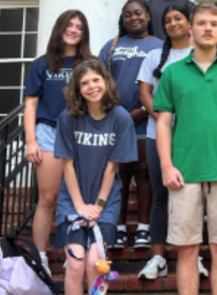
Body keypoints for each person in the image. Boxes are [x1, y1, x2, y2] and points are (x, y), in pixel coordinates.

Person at [154, 3, 217, 295]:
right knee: (186, 249)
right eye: (201, 23)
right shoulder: (172, 72)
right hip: (184, 170)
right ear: (190, 29)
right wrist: (166, 165)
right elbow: (162, 123)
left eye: (214, 23)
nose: (208, 28)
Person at [136, 5, 209, 280]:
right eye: (167, 20)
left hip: (194, 139)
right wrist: (163, 118)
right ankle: (158, 257)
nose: (173, 23)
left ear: (189, 22)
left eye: (178, 18)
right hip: (158, 135)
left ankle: (194, 257)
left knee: (195, 198)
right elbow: (145, 93)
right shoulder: (154, 56)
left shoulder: (201, 54)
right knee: (160, 196)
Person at [54, 58, 138, 295]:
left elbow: (112, 168)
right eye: (85, 83)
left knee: (95, 264)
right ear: (77, 89)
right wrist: (80, 206)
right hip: (72, 199)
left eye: (96, 80)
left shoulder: (121, 118)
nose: (92, 86)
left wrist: (98, 206)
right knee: (75, 264)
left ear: (106, 82)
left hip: (106, 200)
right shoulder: (67, 118)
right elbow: (67, 167)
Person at [23, 9, 93, 275]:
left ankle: (73, 251)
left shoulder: (90, 63)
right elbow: (30, 104)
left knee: (78, 198)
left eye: (79, 27)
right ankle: (39, 257)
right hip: (49, 133)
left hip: (82, 133)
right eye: (69, 25)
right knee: (49, 197)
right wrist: (31, 140)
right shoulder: (41, 64)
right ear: (60, 28)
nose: (74, 30)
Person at [98, 0, 163, 250]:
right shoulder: (113, 46)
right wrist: (114, 112)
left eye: (138, 13)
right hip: (115, 120)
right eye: (128, 15)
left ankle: (144, 227)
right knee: (120, 174)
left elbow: (164, 83)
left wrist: (145, 109)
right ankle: (119, 226)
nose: (133, 18)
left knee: (144, 172)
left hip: (146, 119)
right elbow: (100, 79)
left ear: (147, 16)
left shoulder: (159, 45)